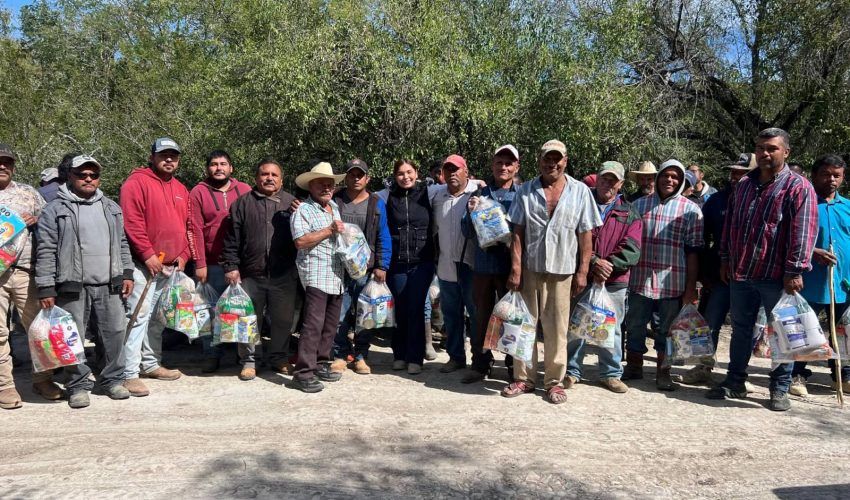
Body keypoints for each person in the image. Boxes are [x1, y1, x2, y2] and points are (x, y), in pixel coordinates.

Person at [707, 128, 818, 411]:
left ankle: (779, 388)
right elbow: (731, 226)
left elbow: (802, 233)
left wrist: (795, 271)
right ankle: (735, 382)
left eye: (772, 148)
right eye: (760, 148)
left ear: (786, 152)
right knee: (741, 330)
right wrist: (725, 259)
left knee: (783, 331)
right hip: (742, 272)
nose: (765, 153)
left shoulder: (798, 186)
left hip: (777, 277)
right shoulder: (744, 184)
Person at [502, 139, 601, 404]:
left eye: (557, 159)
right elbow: (518, 232)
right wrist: (515, 267)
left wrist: (582, 271)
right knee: (525, 325)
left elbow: (586, 235)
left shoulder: (580, 191)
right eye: (547, 158)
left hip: (563, 270)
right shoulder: (525, 190)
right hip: (530, 269)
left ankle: (554, 382)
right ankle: (524, 378)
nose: (552, 163)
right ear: (539, 160)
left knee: (557, 329)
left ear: (565, 161)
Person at [35, 155, 135, 408]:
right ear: (70, 176)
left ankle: (112, 380)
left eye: (93, 175)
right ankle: (77, 385)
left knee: (114, 333)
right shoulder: (54, 209)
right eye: (82, 174)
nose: (88, 179)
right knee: (72, 337)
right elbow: (45, 249)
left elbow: (122, 243)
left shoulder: (111, 207)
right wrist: (45, 286)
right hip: (71, 285)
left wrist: (126, 273)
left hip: (108, 282)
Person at [622, 159, 703, 391]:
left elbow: (693, 252)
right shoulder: (639, 205)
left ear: (681, 181)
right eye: (665, 175)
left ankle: (663, 371)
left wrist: (691, 288)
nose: (669, 180)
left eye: (675, 177)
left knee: (667, 329)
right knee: (635, 324)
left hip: (672, 281)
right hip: (640, 279)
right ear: (658, 178)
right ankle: (634, 366)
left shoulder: (690, 210)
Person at [120, 137, 190, 397]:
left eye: (173, 155)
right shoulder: (136, 183)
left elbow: (187, 227)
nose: (169, 159)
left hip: (171, 266)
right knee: (137, 316)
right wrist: (147, 254)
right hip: (145, 266)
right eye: (163, 155)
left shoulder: (182, 188)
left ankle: (150, 364)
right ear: (152, 157)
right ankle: (128, 372)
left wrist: (184, 255)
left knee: (158, 319)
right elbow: (132, 223)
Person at [220, 158, 299, 381]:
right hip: (250, 274)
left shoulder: (293, 204)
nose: (269, 178)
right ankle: (249, 361)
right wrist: (231, 266)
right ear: (256, 178)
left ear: (281, 181)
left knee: (283, 320)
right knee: (248, 320)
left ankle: (279, 357)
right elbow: (231, 240)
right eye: (265, 174)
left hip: (284, 275)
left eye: (274, 175)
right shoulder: (242, 204)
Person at [566, 161, 642, 393]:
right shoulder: (578, 204)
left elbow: (632, 248)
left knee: (612, 328)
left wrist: (608, 265)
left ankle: (610, 373)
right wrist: (593, 262)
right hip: (583, 275)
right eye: (604, 178)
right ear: (596, 179)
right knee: (577, 325)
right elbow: (569, 239)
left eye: (613, 180)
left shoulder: (630, 212)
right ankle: (571, 371)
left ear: (620, 184)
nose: (608, 184)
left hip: (614, 280)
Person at [681, 153, 755, 385]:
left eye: (741, 173)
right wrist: (704, 275)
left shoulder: (761, 199)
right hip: (718, 276)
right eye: (733, 172)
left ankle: (738, 374)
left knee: (744, 327)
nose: (735, 177)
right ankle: (703, 366)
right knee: (709, 322)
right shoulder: (716, 201)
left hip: (752, 277)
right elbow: (703, 240)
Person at [0, 143, 62, 409]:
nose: (2, 166)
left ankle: (43, 379)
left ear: (13, 166)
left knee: (39, 330)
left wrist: (36, 220)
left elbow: (50, 223)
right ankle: (5, 386)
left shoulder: (29, 193)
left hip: (27, 272)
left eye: (7, 162)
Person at [788, 154, 850, 396]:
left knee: (844, 330)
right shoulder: (803, 202)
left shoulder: (847, 207)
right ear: (814, 175)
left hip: (843, 282)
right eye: (826, 174)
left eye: (837, 175)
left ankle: (841, 375)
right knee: (804, 329)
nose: (831, 180)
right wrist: (813, 252)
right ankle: (796, 374)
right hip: (809, 281)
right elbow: (789, 236)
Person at [461, 145, 519, 384]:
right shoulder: (479, 195)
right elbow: (466, 231)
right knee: (480, 318)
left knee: (512, 319)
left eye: (509, 163)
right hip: (483, 267)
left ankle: (514, 367)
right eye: (499, 162)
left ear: (516, 167)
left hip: (511, 268)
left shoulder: (523, 195)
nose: (503, 167)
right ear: (492, 165)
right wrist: (471, 211)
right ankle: (480, 364)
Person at [188, 149, 251, 373]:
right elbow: (193, 228)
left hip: (240, 264)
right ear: (208, 168)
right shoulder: (198, 192)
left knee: (239, 310)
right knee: (209, 311)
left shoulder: (244, 190)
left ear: (231, 168)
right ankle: (211, 354)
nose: (218, 168)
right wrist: (200, 263)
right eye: (214, 164)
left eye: (223, 164)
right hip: (212, 264)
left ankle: (242, 355)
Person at [329, 159, 391, 376]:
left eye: (360, 175)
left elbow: (384, 235)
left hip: (365, 269)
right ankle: (339, 354)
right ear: (345, 177)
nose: (355, 178)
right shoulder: (335, 199)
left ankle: (361, 355)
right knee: (339, 313)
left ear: (367, 178)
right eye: (351, 174)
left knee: (365, 315)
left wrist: (382, 265)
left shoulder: (376, 203)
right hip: (338, 268)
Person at [289, 161, 346, 393]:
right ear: (310, 186)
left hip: (336, 275)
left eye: (330, 184)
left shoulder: (334, 206)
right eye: (321, 183)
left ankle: (322, 363)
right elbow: (300, 242)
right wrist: (329, 231)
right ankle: (303, 372)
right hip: (315, 274)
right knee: (313, 325)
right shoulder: (304, 210)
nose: (326, 187)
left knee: (330, 325)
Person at [385, 160, 436, 375]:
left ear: (417, 173)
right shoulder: (388, 196)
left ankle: (415, 357)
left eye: (409, 172)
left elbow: (459, 187)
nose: (405, 177)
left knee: (416, 309)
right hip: (396, 262)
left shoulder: (429, 193)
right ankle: (399, 354)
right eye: (400, 173)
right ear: (394, 176)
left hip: (422, 261)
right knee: (399, 309)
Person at [431, 154, 479, 374]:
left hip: (471, 266)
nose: (452, 174)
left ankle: (479, 360)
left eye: (456, 169)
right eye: (448, 170)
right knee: (451, 315)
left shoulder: (477, 193)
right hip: (446, 265)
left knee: (476, 315)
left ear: (465, 171)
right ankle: (456, 357)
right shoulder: (436, 195)